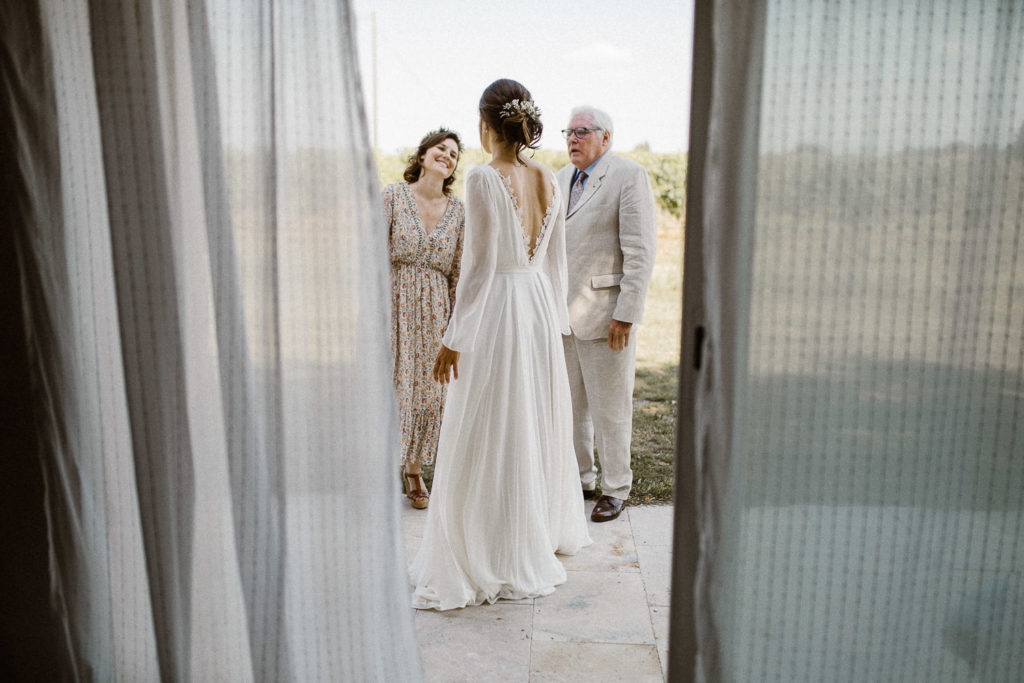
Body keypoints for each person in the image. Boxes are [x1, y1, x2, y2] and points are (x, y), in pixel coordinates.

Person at [410, 79, 591, 610]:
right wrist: (554, 321)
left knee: (490, 420)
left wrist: (454, 337)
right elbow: (557, 261)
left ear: (487, 122)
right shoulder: (551, 179)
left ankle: (494, 543)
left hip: (501, 309)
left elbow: (480, 266)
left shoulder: (485, 179)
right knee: (530, 415)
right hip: (535, 305)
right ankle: (534, 528)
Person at [557, 106, 657, 522]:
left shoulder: (628, 175)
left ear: (605, 137)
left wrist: (626, 313)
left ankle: (616, 487)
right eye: (569, 132)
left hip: (607, 314)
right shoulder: (560, 178)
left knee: (610, 408)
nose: (572, 139)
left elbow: (640, 251)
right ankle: (582, 479)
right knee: (570, 404)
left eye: (582, 132)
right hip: (562, 312)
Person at [382, 128, 465, 509]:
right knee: (390, 389)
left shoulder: (459, 212)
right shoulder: (392, 197)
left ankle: (413, 470)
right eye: (440, 149)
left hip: (436, 310)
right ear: (422, 155)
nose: (446, 156)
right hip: (393, 305)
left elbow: (459, 272)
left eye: (453, 154)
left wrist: (456, 325)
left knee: (431, 395)